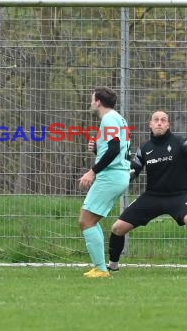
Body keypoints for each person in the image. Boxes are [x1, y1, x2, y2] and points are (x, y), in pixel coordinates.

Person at [107, 110, 187, 275]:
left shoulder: (180, 141)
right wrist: (124, 174)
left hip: (178, 196)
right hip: (153, 196)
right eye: (156, 120)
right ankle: (112, 267)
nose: (159, 123)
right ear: (150, 124)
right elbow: (133, 171)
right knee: (117, 228)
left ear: (168, 125)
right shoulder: (144, 148)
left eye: (163, 120)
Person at [78, 87, 130, 279]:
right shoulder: (117, 118)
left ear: (98, 101)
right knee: (89, 220)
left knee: (86, 220)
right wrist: (97, 149)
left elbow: (114, 149)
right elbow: (114, 147)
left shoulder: (109, 118)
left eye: (92, 99)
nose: (91, 103)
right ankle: (100, 267)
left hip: (112, 175)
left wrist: (92, 171)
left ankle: (101, 269)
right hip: (117, 175)